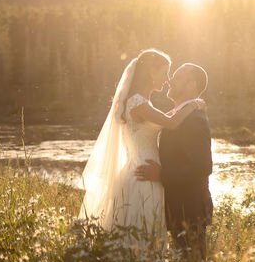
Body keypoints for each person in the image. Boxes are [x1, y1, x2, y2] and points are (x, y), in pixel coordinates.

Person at [78, 49, 204, 248]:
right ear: (150, 73)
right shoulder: (137, 102)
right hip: (143, 173)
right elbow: (171, 122)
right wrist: (194, 104)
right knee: (141, 225)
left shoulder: (143, 103)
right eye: (164, 72)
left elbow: (165, 118)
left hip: (147, 169)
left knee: (147, 226)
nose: (167, 79)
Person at [134, 63, 213, 259]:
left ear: (192, 85)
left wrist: (162, 175)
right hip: (177, 207)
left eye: (177, 77)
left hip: (190, 208)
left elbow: (202, 167)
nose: (170, 80)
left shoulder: (194, 120)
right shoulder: (180, 114)